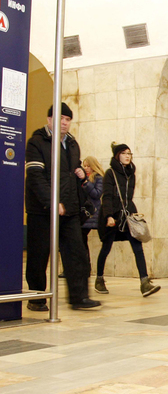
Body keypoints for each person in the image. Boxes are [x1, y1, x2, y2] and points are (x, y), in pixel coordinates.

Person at [24, 103, 101, 310]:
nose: (64, 123)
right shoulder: (37, 142)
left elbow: (70, 173)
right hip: (42, 210)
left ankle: (79, 297)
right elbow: (35, 177)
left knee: (76, 253)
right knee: (39, 255)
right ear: (49, 119)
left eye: (68, 120)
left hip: (69, 209)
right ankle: (37, 298)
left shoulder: (73, 144)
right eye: (60, 118)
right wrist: (51, 201)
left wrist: (80, 174)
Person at [96, 143, 161, 298]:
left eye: (129, 153)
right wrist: (109, 216)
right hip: (113, 216)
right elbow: (107, 196)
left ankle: (144, 283)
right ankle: (99, 279)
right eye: (124, 153)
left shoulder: (131, 173)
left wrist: (133, 213)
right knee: (106, 247)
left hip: (128, 216)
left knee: (137, 247)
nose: (127, 156)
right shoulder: (110, 173)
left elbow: (128, 197)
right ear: (117, 155)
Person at [79, 156, 105, 276]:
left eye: (88, 165)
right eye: (84, 165)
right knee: (80, 241)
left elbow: (97, 194)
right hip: (81, 213)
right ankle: (83, 267)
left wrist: (86, 183)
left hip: (91, 214)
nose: (86, 168)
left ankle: (86, 268)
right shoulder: (81, 178)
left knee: (82, 240)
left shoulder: (98, 178)